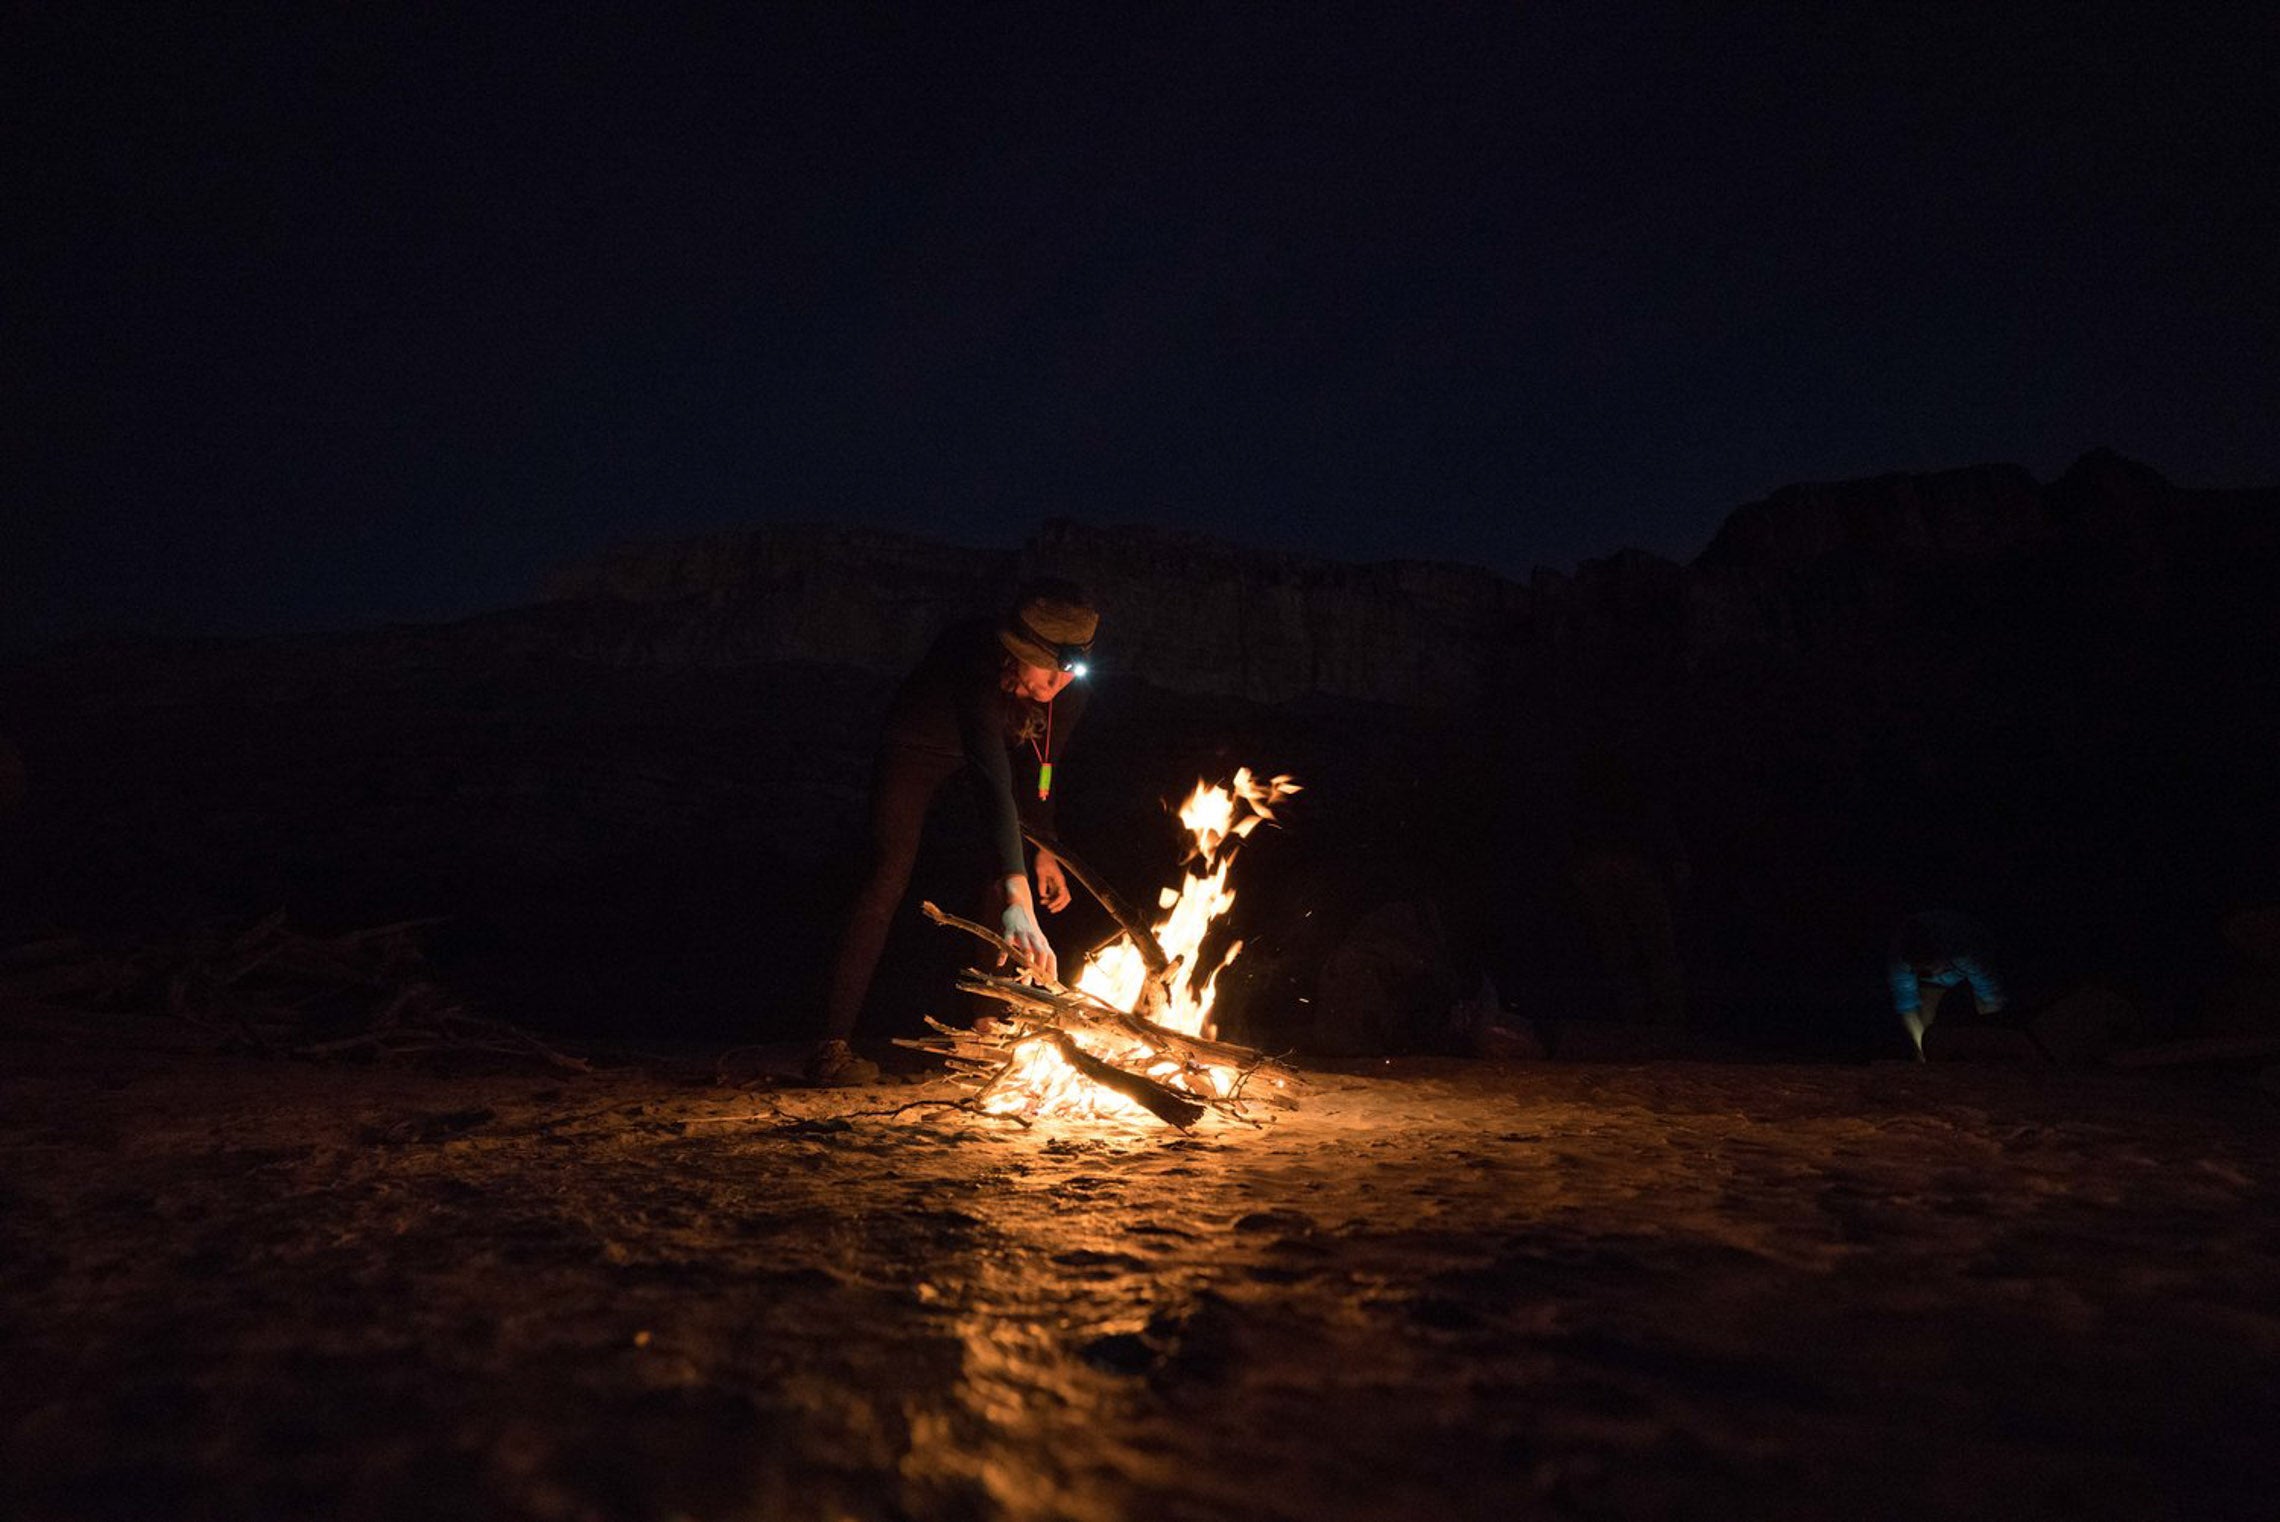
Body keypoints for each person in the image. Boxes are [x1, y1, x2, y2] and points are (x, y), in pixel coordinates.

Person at [807, 579, 1098, 1084]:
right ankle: (830, 1048)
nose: (1054, 686)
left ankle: (988, 1032)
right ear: (1015, 651)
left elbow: (1040, 773)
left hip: (992, 767)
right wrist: (1018, 889)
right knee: (887, 874)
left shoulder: (1067, 694)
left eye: (1067, 673)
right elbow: (991, 775)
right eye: (1046, 669)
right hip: (917, 749)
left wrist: (1045, 851)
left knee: (1005, 872)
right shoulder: (972, 655)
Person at [1889, 909, 2006, 1059]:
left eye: (1934, 968)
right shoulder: (1900, 963)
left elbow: (1992, 997)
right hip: (1934, 966)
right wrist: (1924, 1051)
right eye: (1924, 971)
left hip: (1977, 951)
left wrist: (1991, 1034)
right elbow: (1907, 1009)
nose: (1934, 974)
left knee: (1987, 1011)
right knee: (1922, 1017)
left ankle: (1992, 1055)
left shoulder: (1965, 951)